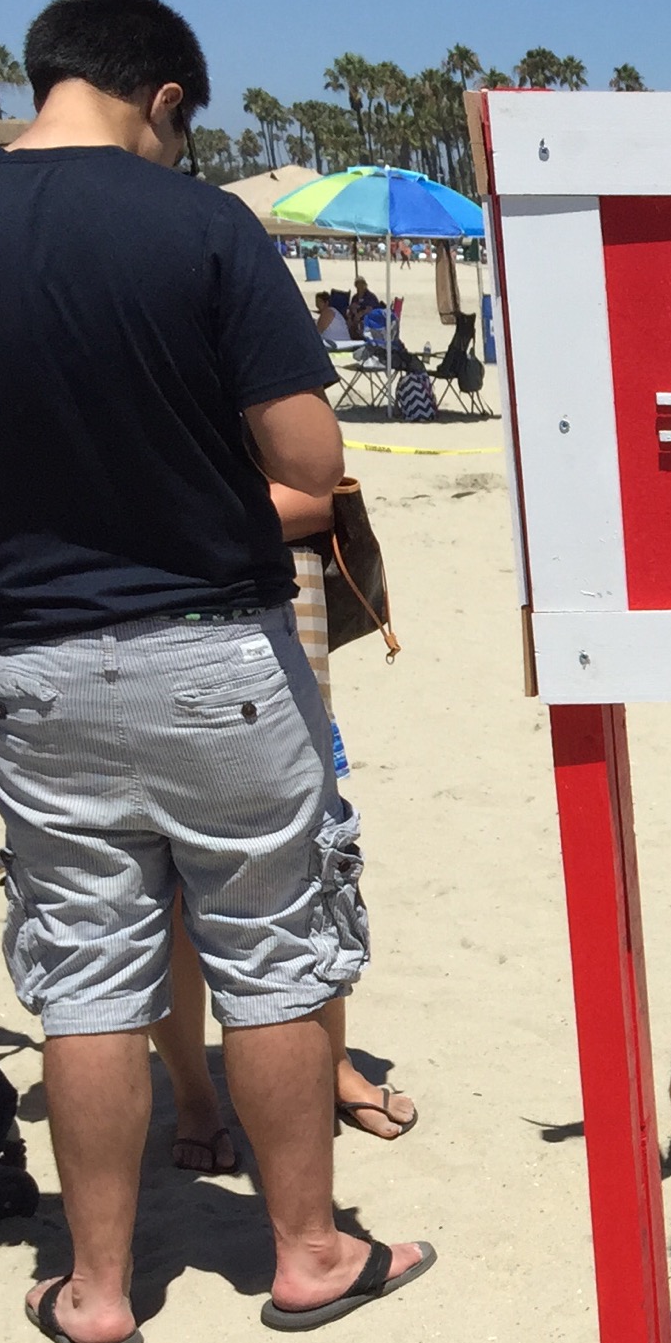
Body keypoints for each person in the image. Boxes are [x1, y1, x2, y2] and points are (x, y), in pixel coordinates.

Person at [0, 0, 431, 1343]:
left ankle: (96, 1286)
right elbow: (310, 459)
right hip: (213, 647)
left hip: (35, 660)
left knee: (87, 980)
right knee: (271, 956)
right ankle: (309, 1248)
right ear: (162, 100)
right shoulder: (203, 227)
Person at [150, 477, 416, 1170]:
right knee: (165, 878)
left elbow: (316, 492)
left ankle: (332, 1065)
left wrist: (137, 522)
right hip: (132, 617)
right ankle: (194, 1096)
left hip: (262, 603)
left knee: (308, 861)